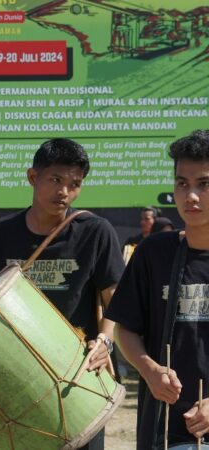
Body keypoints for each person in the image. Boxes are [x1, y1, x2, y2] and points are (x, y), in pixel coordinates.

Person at [0, 138, 123, 450]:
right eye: (55, 180)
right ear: (33, 177)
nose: (64, 192)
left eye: (74, 184)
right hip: (14, 372)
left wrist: (105, 341)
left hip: (78, 375)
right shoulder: (1, 233)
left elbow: (115, 298)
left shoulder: (95, 231)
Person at [107, 130, 209, 449]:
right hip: (164, 430)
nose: (190, 196)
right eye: (182, 183)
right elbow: (125, 328)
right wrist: (149, 370)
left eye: (204, 184)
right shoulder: (154, 253)